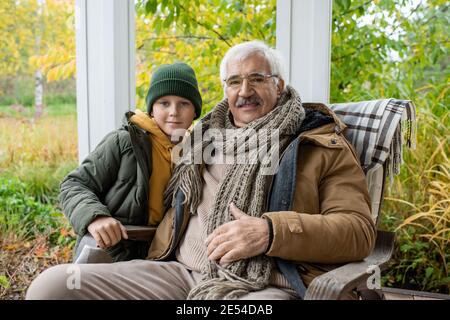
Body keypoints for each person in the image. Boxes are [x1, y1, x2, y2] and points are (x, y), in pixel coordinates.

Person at [26, 41, 376, 300]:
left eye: (257, 78)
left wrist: (271, 231)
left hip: (263, 285)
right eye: (234, 81)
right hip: (178, 274)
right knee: (52, 287)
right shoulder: (200, 140)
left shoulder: (319, 144)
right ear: (224, 88)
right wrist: (97, 217)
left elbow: (359, 232)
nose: (244, 91)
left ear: (279, 85)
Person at [58, 62, 202, 262]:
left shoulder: (197, 153)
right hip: (114, 252)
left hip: (165, 257)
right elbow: (73, 184)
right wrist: (96, 217)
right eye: (164, 103)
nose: (174, 112)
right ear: (152, 108)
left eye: (184, 103)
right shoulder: (125, 141)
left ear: (195, 111)